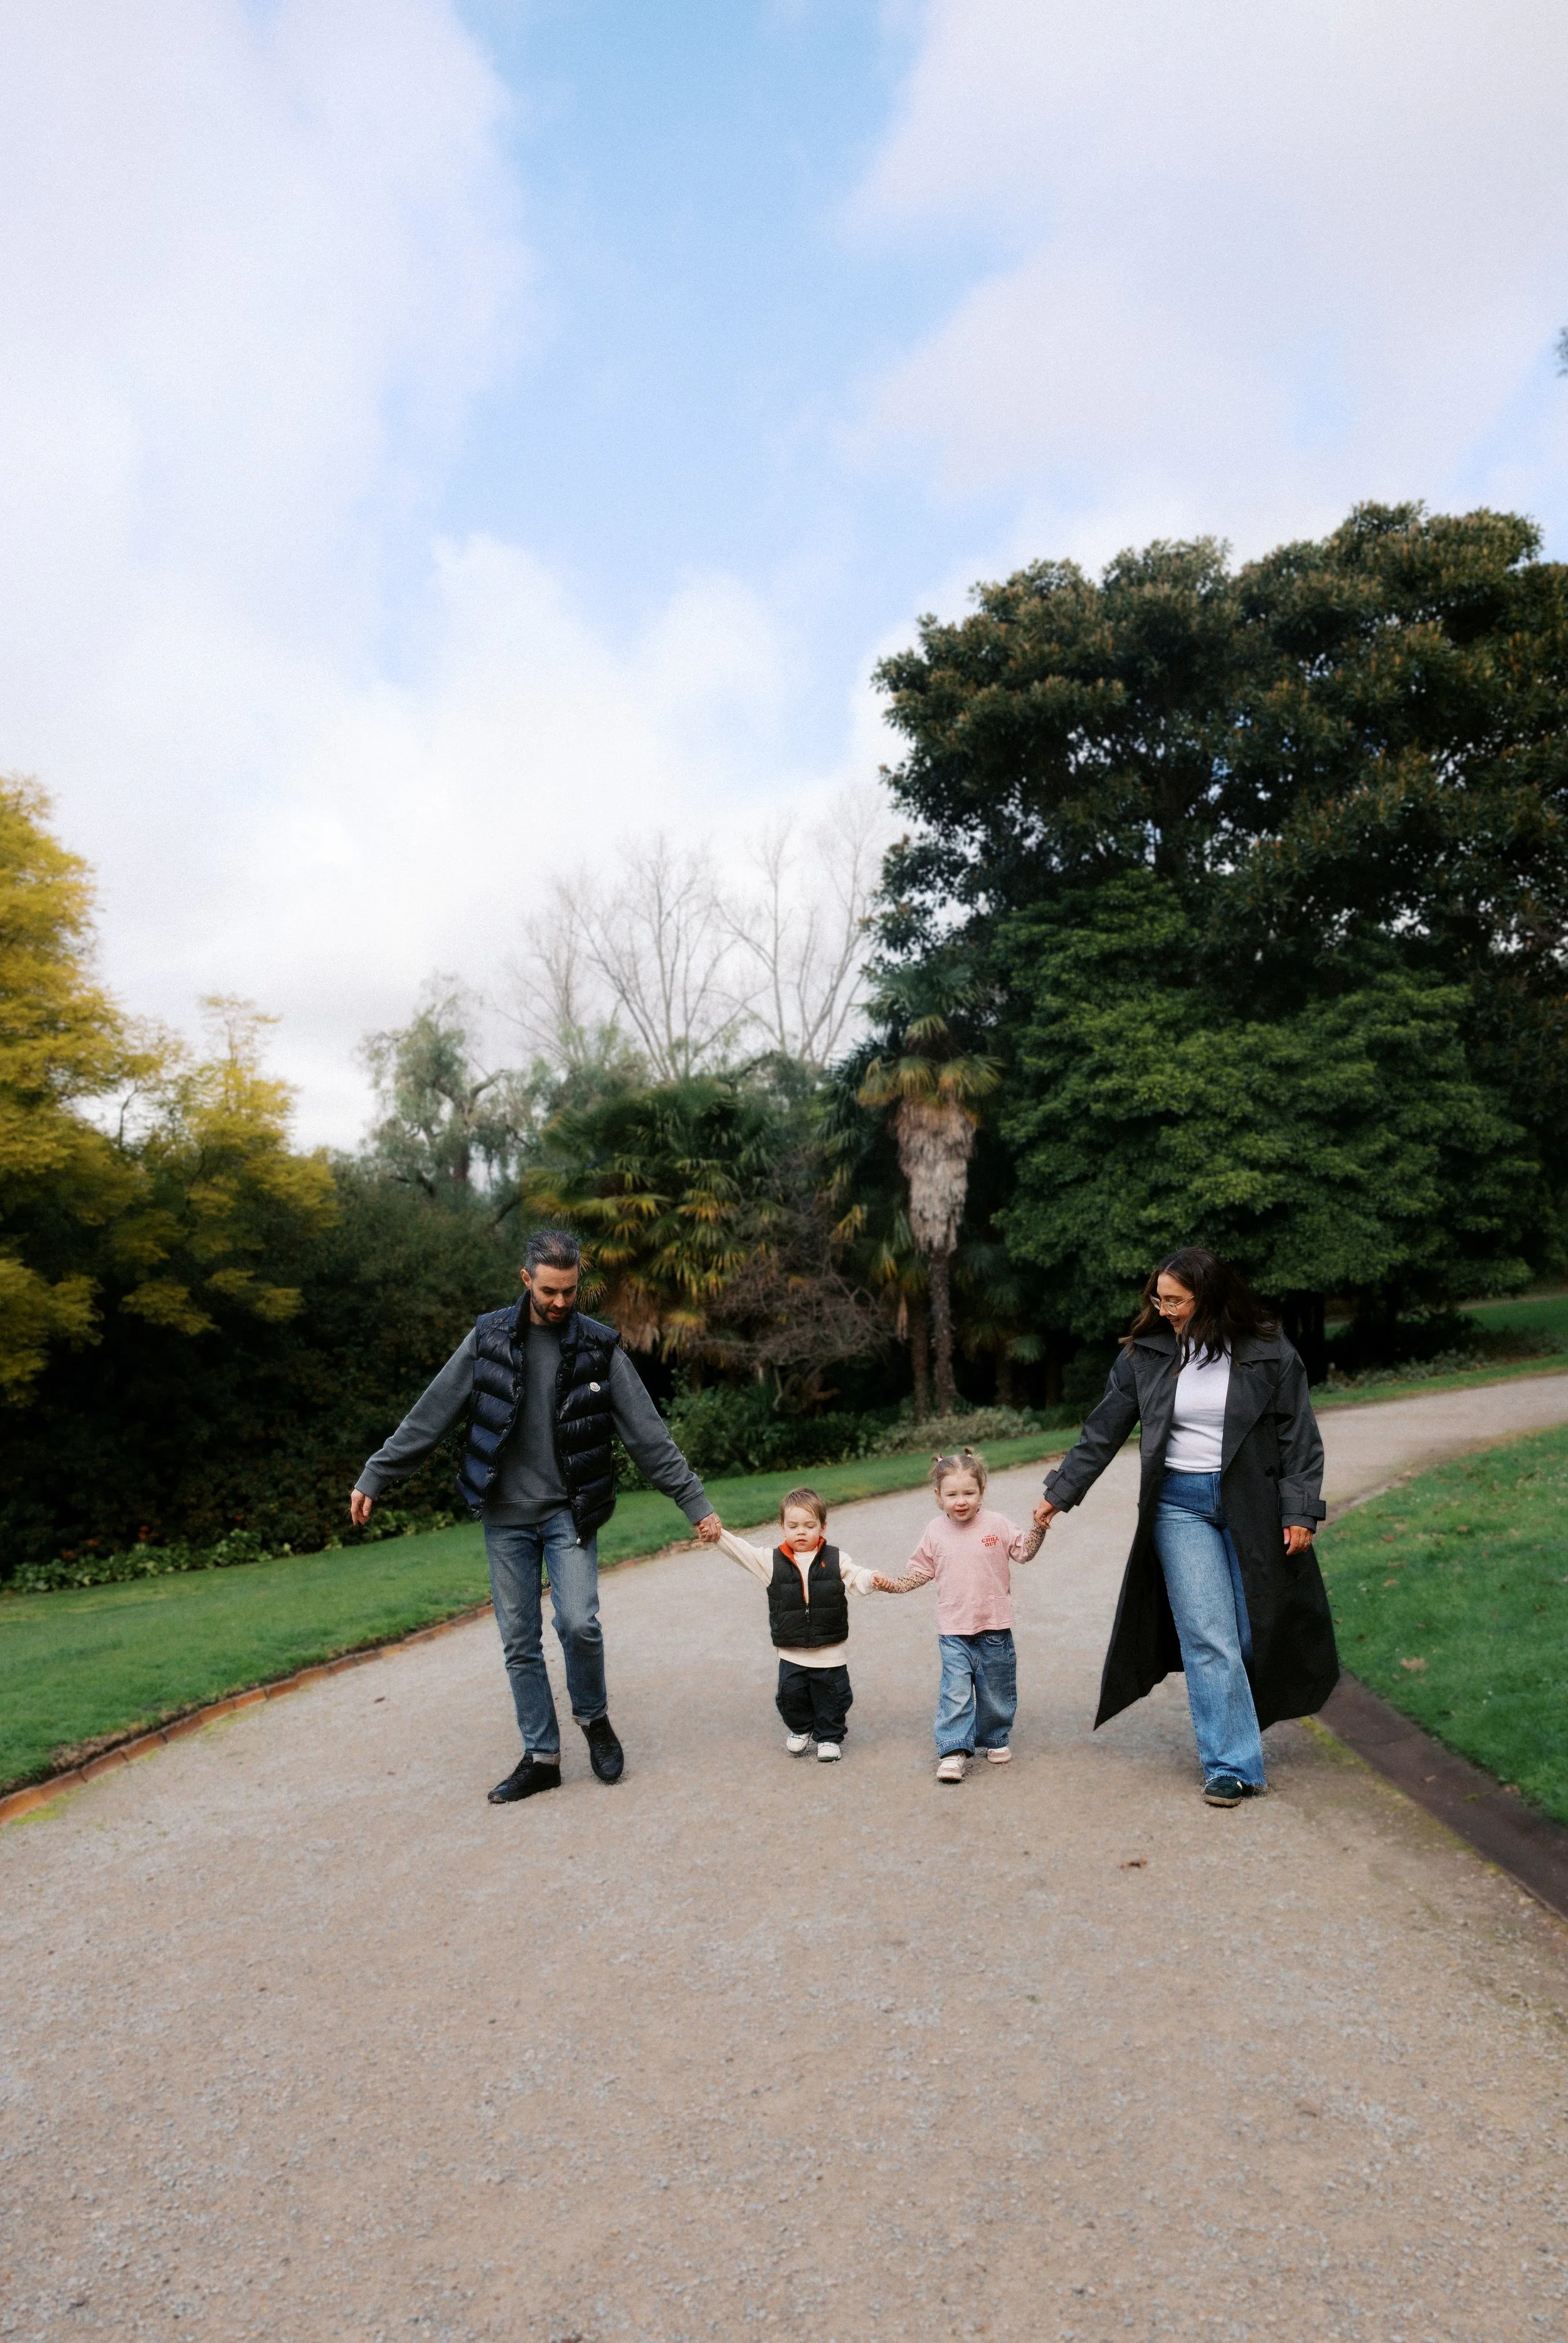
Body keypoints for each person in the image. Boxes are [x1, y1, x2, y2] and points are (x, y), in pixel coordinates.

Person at [351, 1229, 723, 1804]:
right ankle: (542, 1756)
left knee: (579, 1623)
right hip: (505, 1515)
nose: (560, 1302)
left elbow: (649, 1437)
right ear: (526, 1280)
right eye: (550, 1290)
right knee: (519, 1639)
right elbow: (431, 1415)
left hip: (569, 1511)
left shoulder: (598, 1347)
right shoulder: (488, 1337)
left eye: (570, 1291)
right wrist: (377, 1473)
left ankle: (594, 1719)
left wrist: (695, 1504)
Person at [1035, 1247, 1337, 1807]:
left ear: (1211, 1298)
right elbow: (1102, 1431)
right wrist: (1060, 1493)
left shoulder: (1269, 1351)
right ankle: (1232, 1766)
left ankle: (1237, 1716)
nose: (1165, 1309)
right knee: (1207, 1635)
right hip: (1179, 1506)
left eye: (1176, 1300)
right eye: (1160, 1298)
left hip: (1254, 1505)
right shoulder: (1145, 1355)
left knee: (1254, 1631)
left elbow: (1300, 1437)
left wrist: (1300, 1510)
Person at [872, 1447, 1050, 1784]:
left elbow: (1024, 1551)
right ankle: (953, 1749)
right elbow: (920, 1572)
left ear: (982, 1491)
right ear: (938, 1496)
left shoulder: (996, 1524)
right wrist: (891, 1586)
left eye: (969, 1493)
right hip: (953, 1630)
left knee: (996, 1688)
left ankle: (995, 1737)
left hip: (994, 1627)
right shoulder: (935, 1531)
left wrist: (1038, 1528)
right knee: (955, 1691)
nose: (961, 1501)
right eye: (952, 1494)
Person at [713, 1488, 877, 1762]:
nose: (801, 1532)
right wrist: (719, 1536)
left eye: (809, 1526)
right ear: (783, 1528)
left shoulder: (836, 1559)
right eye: (793, 1526)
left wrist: (873, 1579)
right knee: (791, 1695)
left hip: (829, 1651)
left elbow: (857, 1576)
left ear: (823, 1527)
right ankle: (801, 1729)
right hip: (792, 1650)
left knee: (832, 1696)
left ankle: (828, 1737)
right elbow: (743, 1552)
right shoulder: (772, 1561)